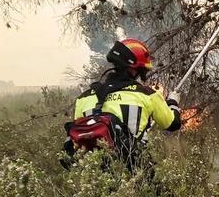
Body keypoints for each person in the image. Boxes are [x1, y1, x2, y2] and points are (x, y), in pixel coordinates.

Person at [63, 38, 182, 170]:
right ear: (135, 69)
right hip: (134, 169)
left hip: (94, 174)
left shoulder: (84, 97)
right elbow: (172, 124)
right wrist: (172, 102)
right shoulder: (146, 94)